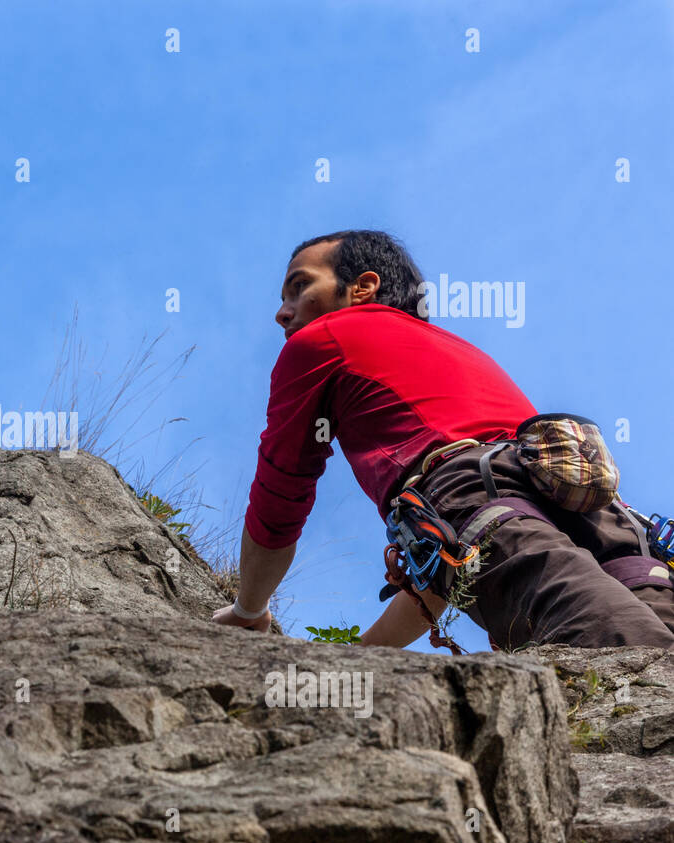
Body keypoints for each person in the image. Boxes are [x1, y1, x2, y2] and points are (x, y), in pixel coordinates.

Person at [212, 231, 674, 650]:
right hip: (603, 510)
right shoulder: (458, 350)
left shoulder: (321, 341)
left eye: (299, 286)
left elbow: (281, 493)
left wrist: (249, 609)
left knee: (619, 651)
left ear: (363, 287)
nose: (282, 311)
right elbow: (448, 560)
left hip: (472, 494)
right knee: (655, 644)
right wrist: (364, 656)